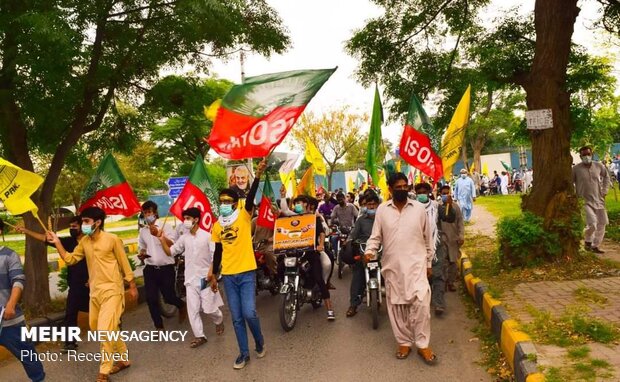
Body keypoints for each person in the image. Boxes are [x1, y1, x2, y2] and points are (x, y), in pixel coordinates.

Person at [47, 207, 137, 382]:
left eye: (87, 222)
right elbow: (70, 259)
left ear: (98, 222)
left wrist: (131, 285)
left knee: (104, 330)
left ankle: (104, 370)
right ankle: (124, 359)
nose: (84, 225)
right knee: (99, 327)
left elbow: (124, 262)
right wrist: (57, 242)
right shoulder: (84, 242)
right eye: (83, 222)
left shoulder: (112, 239)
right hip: (95, 292)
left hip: (113, 290)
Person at [364, 172, 437, 365]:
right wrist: (370, 251)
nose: (403, 190)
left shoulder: (419, 209)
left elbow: (428, 238)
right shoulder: (382, 210)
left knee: (421, 306)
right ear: (390, 189)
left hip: (416, 266)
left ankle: (423, 345)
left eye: (405, 186)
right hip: (393, 267)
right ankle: (404, 342)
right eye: (399, 187)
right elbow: (376, 236)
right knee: (397, 308)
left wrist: (429, 263)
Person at [209, 159, 267, 370]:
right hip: (229, 277)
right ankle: (243, 353)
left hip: (247, 273)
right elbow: (217, 251)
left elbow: (250, 198)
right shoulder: (217, 226)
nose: (224, 205)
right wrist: (214, 275)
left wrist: (258, 174)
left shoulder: (243, 216)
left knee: (249, 313)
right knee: (236, 318)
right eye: (221, 201)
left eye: (227, 201)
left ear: (234, 203)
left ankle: (259, 341)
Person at [17, 215, 89, 353]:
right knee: (70, 314)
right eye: (70, 227)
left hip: (92, 285)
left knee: (101, 313)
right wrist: (26, 230)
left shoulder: (91, 243)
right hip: (75, 285)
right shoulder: (68, 242)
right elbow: (45, 238)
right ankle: (70, 342)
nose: (72, 229)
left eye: (75, 226)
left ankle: (114, 334)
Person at [160, 208, 225, 348]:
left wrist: (211, 273)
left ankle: (219, 321)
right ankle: (200, 336)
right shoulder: (184, 238)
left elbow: (215, 257)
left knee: (210, 309)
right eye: (185, 218)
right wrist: (161, 239)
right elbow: (171, 252)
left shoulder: (207, 236)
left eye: (188, 218)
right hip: (190, 280)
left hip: (205, 279)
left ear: (196, 219)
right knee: (193, 309)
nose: (185, 221)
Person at [0, 242, 46, 381]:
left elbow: (18, 280)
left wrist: (11, 305)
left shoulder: (9, 255)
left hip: (9, 320)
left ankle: (38, 379)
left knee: (27, 355)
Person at [138, 201, 187, 330]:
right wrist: (142, 254)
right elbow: (142, 247)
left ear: (155, 213)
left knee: (169, 297)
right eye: (145, 213)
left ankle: (181, 305)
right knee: (151, 299)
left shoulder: (166, 226)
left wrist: (160, 235)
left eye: (149, 212)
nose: (147, 215)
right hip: (150, 268)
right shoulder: (143, 231)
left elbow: (173, 245)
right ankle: (158, 326)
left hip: (166, 268)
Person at [572, 145, 611, 254]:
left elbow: (607, 177)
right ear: (580, 156)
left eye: (588, 154)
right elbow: (570, 182)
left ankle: (595, 246)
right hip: (584, 201)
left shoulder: (598, 166)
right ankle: (587, 241)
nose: (587, 156)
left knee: (602, 223)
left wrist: (604, 191)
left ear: (592, 154)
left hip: (599, 199)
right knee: (592, 223)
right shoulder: (576, 169)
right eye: (584, 155)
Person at [346, 192, 379, 318]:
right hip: (364, 252)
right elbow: (354, 234)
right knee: (357, 273)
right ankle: (353, 305)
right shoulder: (360, 220)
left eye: (373, 204)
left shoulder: (383, 219)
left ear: (378, 205)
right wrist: (349, 240)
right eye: (369, 204)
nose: (371, 207)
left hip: (380, 252)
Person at [438, 186, 464, 292]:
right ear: (440, 194)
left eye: (447, 193)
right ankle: (442, 283)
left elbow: (460, 222)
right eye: (443, 193)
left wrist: (461, 236)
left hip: (453, 238)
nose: (445, 195)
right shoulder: (438, 207)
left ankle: (451, 282)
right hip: (442, 238)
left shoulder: (455, 207)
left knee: (453, 262)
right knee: (443, 262)